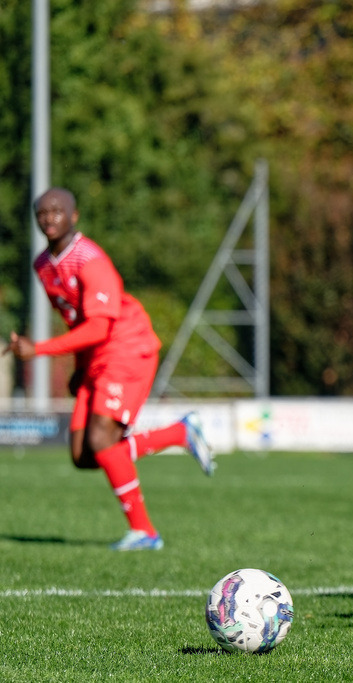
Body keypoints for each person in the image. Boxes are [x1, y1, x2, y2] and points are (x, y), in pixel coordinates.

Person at [4, 187, 215, 551]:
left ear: (75, 216)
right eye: (42, 212)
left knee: (103, 441)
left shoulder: (90, 260)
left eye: (58, 211)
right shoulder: (43, 265)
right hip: (96, 358)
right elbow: (77, 321)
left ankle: (145, 533)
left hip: (126, 347)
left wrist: (38, 349)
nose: (49, 218)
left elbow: (100, 326)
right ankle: (179, 434)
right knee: (83, 456)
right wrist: (79, 368)